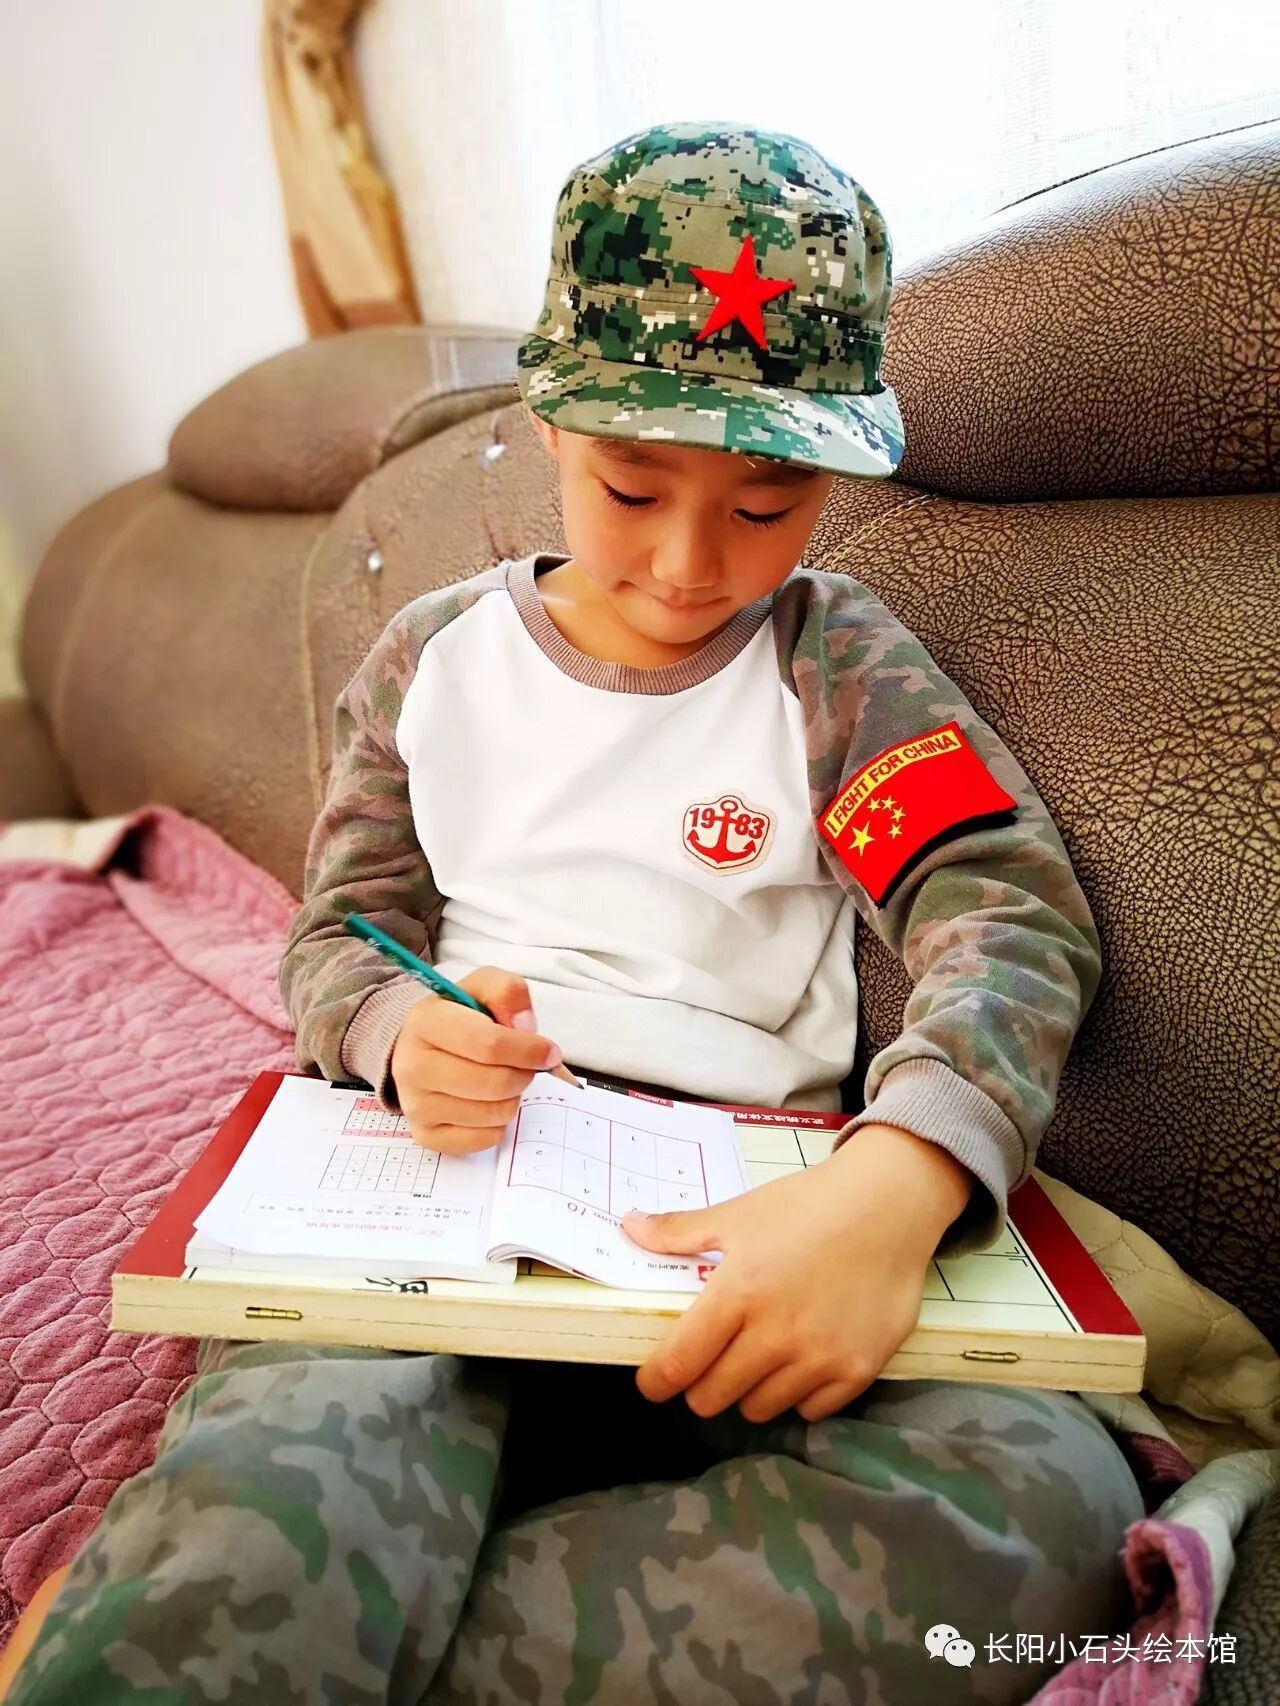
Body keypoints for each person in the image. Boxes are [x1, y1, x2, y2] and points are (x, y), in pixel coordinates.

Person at [8, 121, 1143, 1706]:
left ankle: (285, 1637)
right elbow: (338, 935)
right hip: (442, 1204)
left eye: (767, 505)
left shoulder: (835, 664)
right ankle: (260, 1605)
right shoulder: (432, 662)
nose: (688, 565)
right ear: (547, 422)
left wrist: (902, 1177)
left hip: (748, 1230)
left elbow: (1001, 910)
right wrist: (399, 1032)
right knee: (289, 1474)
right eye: (631, 487)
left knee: (1051, 1505)